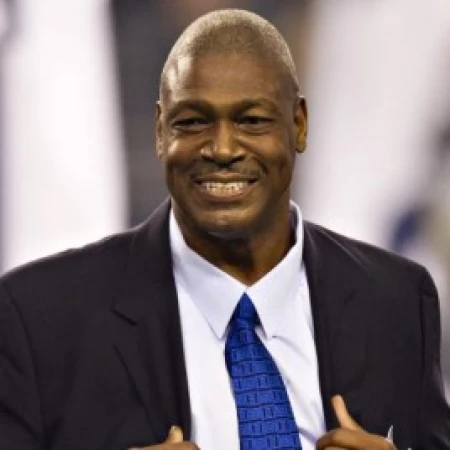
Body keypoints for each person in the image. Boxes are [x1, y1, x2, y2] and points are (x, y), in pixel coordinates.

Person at [0, 9, 449, 450]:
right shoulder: (38, 315)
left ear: (299, 125)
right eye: (192, 122)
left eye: (252, 121)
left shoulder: (400, 300)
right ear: (160, 131)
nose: (222, 148)